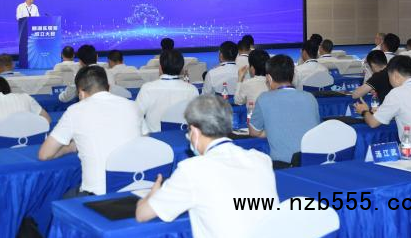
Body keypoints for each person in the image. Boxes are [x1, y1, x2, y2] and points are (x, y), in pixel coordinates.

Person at [135, 95, 278, 238]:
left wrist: (152, 194)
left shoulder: (192, 170)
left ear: (195, 132)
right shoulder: (261, 160)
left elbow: (142, 214)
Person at [38, 65, 143, 195]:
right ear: (108, 87)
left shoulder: (75, 111)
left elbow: (44, 154)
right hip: (135, 188)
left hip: (97, 197)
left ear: (81, 93)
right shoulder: (133, 106)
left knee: (59, 197)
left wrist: (70, 148)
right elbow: (145, 138)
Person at [249, 55, 320, 168]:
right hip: (311, 162)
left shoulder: (264, 99)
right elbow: (314, 128)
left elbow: (254, 132)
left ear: (269, 78)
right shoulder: (310, 97)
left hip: (283, 166)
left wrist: (273, 129)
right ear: (293, 76)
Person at [354, 56, 411, 150]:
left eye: (389, 77)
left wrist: (364, 111)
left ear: (395, 76)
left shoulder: (397, 93)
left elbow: (373, 123)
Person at [136, 49, 199, 133]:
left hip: (154, 138)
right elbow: (197, 120)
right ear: (182, 68)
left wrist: (146, 134)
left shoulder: (147, 88)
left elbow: (136, 116)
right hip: (182, 138)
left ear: (160, 67)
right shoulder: (192, 90)